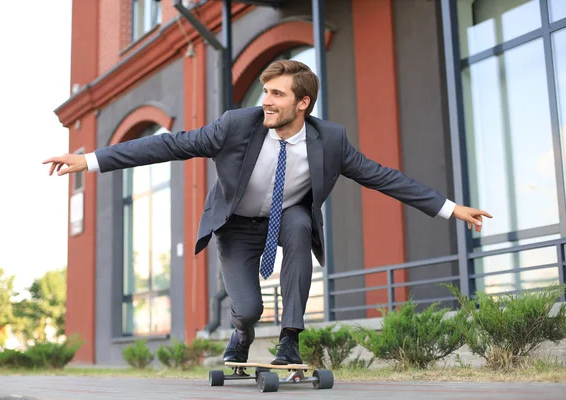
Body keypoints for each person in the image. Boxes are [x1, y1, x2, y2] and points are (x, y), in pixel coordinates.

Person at [44, 60, 492, 365]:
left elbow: (383, 176)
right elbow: (169, 143)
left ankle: (290, 340)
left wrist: (452, 209)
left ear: (303, 104)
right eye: (265, 92)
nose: (266, 101)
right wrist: (92, 160)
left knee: (299, 221)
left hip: (285, 222)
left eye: (277, 94)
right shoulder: (235, 126)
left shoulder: (329, 141)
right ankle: (243, 334)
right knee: (248, 308)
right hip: (236, 227)